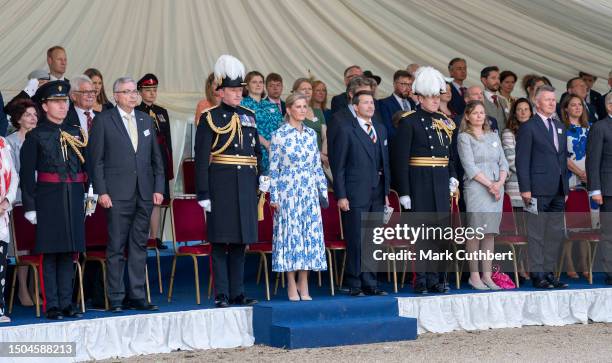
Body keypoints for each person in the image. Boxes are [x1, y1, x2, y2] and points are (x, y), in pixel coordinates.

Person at [88, 77, 164, 312]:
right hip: (117, 193)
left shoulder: (145, 119)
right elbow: (96, 160)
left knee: (139, 245)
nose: (133, 96)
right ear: (116, 95)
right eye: (127, 91)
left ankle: (137, 295)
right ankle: (117, 297)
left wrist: (158, 187)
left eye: (134, 92)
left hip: (143, 192)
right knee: (116, 247)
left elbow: (156, 159)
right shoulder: (104, 120)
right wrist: (101, 191)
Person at [195, 55, 261, 308]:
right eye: (233, 90)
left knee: (240, 242)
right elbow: (202, 159)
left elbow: (255, 152)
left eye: (239, 90)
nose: (238, 94)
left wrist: (260, 178)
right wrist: (203, 193)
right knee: (221, 242)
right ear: (220, 92)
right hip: (220, 185)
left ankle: (238, 292)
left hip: (245, 183)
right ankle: (222, 293)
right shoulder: (210, 117)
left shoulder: (249, 115)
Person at [20, 80, 85, 319]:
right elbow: (26, 175)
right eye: (56, 102)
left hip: (73, 196)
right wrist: (30, 206)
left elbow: (83, 166)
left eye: (64, 101)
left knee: (70, 252)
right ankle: (53, 305)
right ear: (44, 106)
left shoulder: (76, 132)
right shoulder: (36, 136)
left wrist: (88, 197)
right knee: (51, 253)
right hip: (48, 199)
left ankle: (68, 302)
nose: (62, 106)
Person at [392, 66, 458, 294]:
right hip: (419, 183)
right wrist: (404, 192)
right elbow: (400, 160)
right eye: (429, 97)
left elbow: (449, 155)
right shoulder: (409, 121)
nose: (434, 100)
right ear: (419, 97)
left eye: (437, 96)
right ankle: (420, 279)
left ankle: (437, 279)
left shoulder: (445, 122)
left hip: (440, 182)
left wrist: (452, 177)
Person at [269, 92, 328, 301]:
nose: (302, 110)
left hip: (309, 192)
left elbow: (316, 167)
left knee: (307, 238)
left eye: (305, 106)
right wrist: (273, 196)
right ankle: (291, 283)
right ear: (289, 109)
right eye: (298, 106)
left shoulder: (312, 135)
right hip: (288, 192)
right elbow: (273, 169)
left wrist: (322, 192)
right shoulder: (279, 135)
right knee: (290, 238)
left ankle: (304, 282)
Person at [332, 90, 389, 297]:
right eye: (365, 103)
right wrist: (341, 195)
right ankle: (354, 282)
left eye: (372, 102)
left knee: (373, 238)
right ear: (355, 107)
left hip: (377, 191)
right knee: (356, 238)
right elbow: (339, 166)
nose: (370, 106)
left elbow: (385, 163)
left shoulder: (380, 129)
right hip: (355, 192)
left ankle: (370, 282)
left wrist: (385, 192)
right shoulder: (347, 129)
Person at [516, 85, 569, 289]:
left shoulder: (559, 126)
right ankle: (537, 274)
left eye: (553, 99)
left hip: (557, 190)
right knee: (537, 234)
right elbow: (522, 160)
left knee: (554, 234)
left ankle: (549, 273)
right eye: (547, 99)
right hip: (536, 189)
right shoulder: (528, 127)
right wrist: (525, 189)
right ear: (537, 103)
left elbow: (562, 159)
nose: (552, 102)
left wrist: (564, 188)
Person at [457, 101, 508, 290]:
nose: (479, 116)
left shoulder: (493, 135)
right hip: (477, 187)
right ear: (468, 116)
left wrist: (499, 184)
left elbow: (503, 162)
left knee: (490, 233)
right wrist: (490, 185)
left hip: (496, 186)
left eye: (482, 112)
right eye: (475, 113)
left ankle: (487, 275)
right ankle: (474, 276)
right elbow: (469, 165)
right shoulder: (464, 137)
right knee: (476, 232)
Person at [136, 73, 174, 250]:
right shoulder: (137, 112)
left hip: (160, 163)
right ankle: (141, 237)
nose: (152, 93)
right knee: (143, 200)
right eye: (148, 90)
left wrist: (169, 166)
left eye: (154, 90)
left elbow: (168, 141)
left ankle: (155, 237)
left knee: (157, 200)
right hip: (144, 163)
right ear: (140, 92)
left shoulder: (161, 112)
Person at [6, 99, 37, 307]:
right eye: (28, 115)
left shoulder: (43, 138)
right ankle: (23, 291)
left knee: (37, 246)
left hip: (41, 199)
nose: (33, 118)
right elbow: (10, 173)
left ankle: (36, 289)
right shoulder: (9, 142)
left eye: (35, 114)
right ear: (18, 119)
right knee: (22, 249)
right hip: (18, 200)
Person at [561, 93, 592, 279]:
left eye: (579, 104)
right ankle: (570, 264)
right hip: (571, 179)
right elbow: (561, 156)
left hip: (589, 180)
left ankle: (585, 263)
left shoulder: (590, 129)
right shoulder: (562, 129)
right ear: (566, 108)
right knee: (571, 225)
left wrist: (589, 174)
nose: (577, 108)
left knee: (586, 225)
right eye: (573, 105)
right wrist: (580, 173)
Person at [586, 92, 612, 285]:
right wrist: (595, 189)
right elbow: (593, 161)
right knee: (609, 233)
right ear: (609, 106)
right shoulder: (600, 127)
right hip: (608, 189)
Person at [241, 71, 283, 175]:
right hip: (253, 153)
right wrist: (266, 143)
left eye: (261, 82)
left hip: (274, 154)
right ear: (247, 86)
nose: (258, 85)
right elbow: (246, 129)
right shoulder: (242, 105)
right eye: (254, 82)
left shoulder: (271, 106)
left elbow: (280, 127)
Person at [0, 128, 18, 323]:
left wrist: (7, 201)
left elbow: (14, 176)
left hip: (1, 213)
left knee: (0, 265)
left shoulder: (3, 144)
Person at [502, 98, 533, 207]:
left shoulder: (537, 131)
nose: (523, 112)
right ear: (515, 113)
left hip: (537, 187)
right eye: (519, 109)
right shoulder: (508, 132)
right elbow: (511, 160)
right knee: (519, 223)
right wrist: (534, 172)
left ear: (531, 112)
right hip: (517, 188)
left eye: (526, 109)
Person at [292, 78, 329, 168]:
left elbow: (325, 136)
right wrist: (318, 154)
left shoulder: (318, 112)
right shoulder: (292, 111)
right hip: (301, 160)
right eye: (304, 89)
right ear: (296, 92)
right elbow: (296, 140)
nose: (307, 91)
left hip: (320, 160)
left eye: (310, 89)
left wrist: (323, 154)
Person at [379, 70, 415, 140]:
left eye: (410, 84)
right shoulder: (384, 103)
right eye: (404, 84)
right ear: (394, 84)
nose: (408, 88)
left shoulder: (413, 102)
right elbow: (388, 130)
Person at [480, 66, 507, 131]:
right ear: (484, 80)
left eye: (498, 78)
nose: (497, 81)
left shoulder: (503, 101)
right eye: (493, 78)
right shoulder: (479, 100)